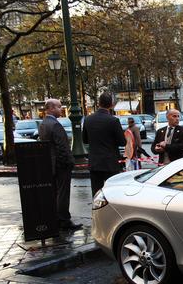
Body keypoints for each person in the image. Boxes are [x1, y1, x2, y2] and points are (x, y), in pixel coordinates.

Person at [38, 99, 81, 231]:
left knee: (55, 192)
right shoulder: (55, 125)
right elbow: (62, 147)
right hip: (61, 165)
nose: (60, 109)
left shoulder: (43, 124)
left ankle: (57, 218)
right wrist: (69, 162)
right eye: (58, 107)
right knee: (63, 193)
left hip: (50, 164)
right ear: (50, 108)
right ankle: (64, 220)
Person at [82, 92, 126, 196]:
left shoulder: (88, 119)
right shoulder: (113, 121)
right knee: (112, 192)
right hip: (110, 162)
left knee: (96, 192)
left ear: (98, 103)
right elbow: (122, 142)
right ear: (111, 104)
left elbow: (85, 140)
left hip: (94, 162)